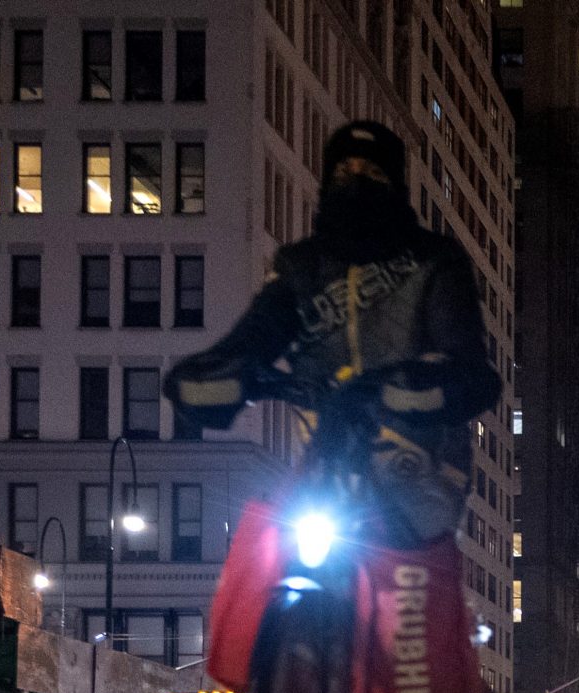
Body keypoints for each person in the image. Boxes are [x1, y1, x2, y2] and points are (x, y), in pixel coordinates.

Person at [165, 121, 500, 548]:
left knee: (415, 582)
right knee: (258, 559)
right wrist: (215, 373)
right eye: (344, 170)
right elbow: (256, 334)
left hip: (418, 465)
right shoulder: (299, 266)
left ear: (395, 184)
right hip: (322, 466)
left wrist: (419, 389)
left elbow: (470, 365)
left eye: (373, 172)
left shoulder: (435, 262)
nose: (357, 179)